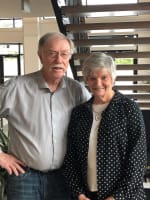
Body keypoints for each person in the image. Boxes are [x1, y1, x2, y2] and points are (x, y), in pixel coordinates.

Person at [0, 32, 90, 200]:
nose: (58, 60)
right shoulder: (16, 88)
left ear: (69, 58)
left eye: (64, 54)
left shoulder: (77, 91)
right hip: (24, 178)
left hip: (64, 178)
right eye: (51, 53)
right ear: (40, 55)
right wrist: (0, 156)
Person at [63, 52, 147, 200]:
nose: (98, 83)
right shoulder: (79, 113)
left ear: (113, 78)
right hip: (87, 196)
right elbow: (71, 158)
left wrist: (116, 197)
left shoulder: (129, 108)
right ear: (86, 80)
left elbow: (137, 160)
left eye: (104, 77)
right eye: (92, 78)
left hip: (124, 196)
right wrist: (79, 194)